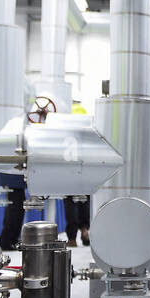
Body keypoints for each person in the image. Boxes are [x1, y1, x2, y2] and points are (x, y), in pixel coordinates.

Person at [64, 97, 91, 247]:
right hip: (83, 167)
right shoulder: (84, 114)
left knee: (69, 203)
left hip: (68, 168)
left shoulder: (66, 115)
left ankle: (72, 238)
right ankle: (85, 230)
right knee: (84, 202)